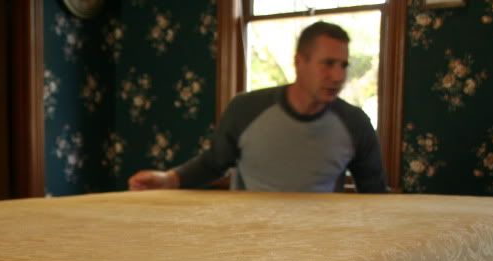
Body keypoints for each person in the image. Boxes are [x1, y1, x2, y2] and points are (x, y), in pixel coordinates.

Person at [127, 21, 387, 194]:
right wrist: (168, 179)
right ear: (299, 62)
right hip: (249, 240)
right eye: (328, 64)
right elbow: (213, 163)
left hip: (319, 244)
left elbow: (374, 195)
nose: (338, 76)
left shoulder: (355, 124)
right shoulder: (245, 109)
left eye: (344, 65)